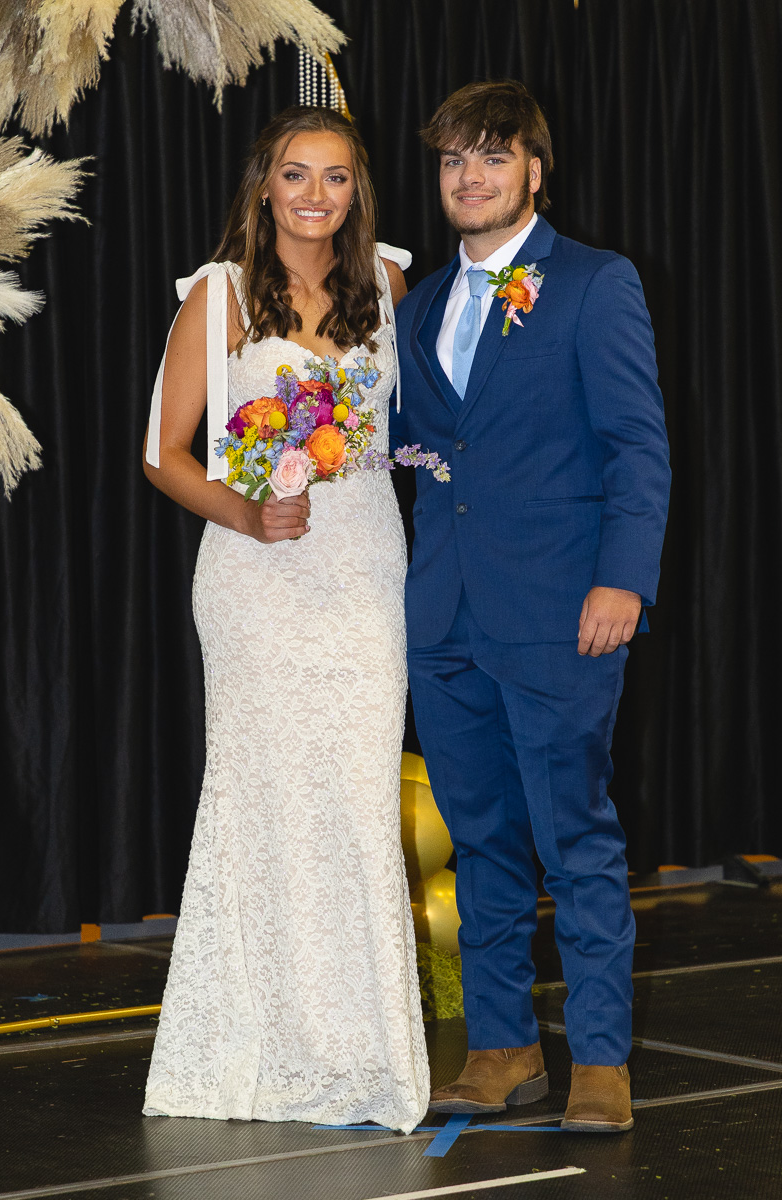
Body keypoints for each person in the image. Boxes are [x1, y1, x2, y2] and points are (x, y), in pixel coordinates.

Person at [141, 105, 429, 1132]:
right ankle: (258, 1045)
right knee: (264, 802)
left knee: (355, 803)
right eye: (296, 175)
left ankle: (361, 1054)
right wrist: (247, 513)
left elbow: (426, 422)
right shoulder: (218, 293)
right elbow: (162, 453)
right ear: (264, 185)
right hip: (257, 575)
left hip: (364, 569)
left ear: (358, 190)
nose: (315, 195)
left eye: (336, 177)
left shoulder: (387, 285)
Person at [391, 80, 671, 1132]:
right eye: (454, 160)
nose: (470, 177)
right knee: (479, 845)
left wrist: (624, 577)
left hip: (563, 610)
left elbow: (636, 444)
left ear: (534, 172)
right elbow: (428, 452)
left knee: (575, 839)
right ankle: (503, 1049)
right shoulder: (419, 307)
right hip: (444, 618)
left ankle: (599, 1059)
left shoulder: (595, 283)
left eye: (493, 156)